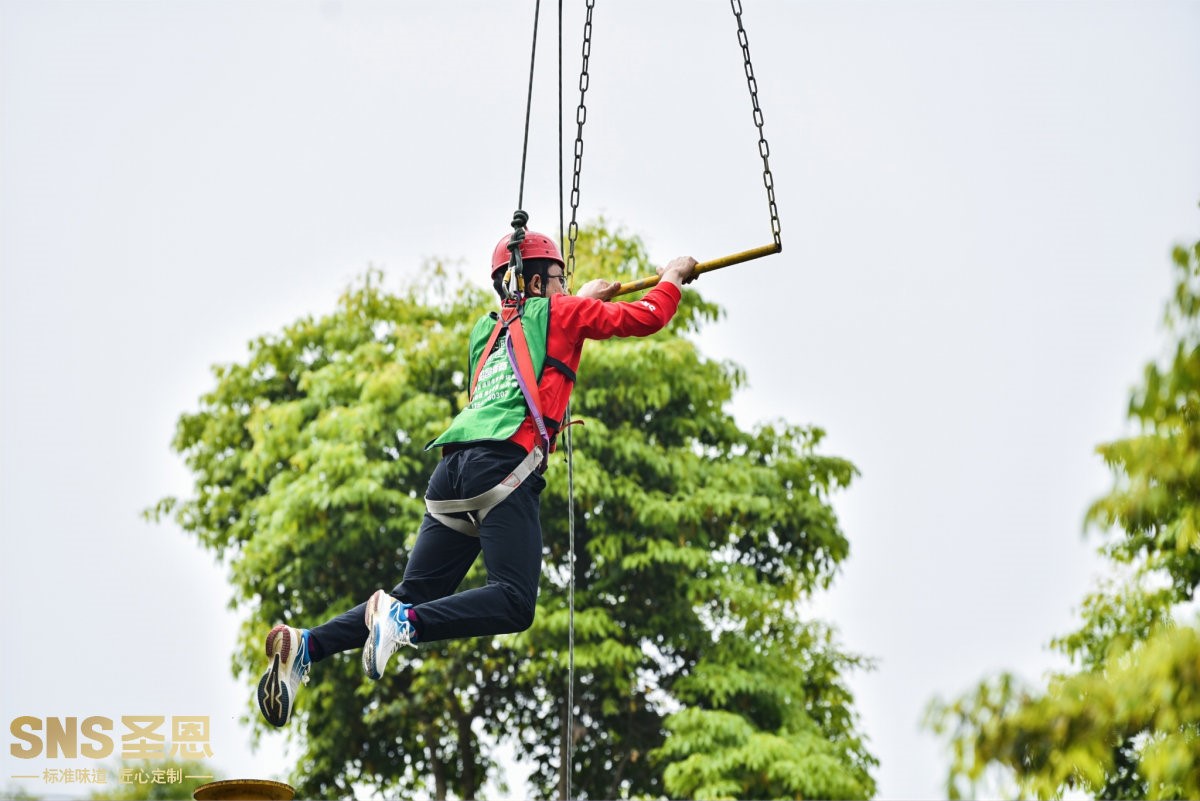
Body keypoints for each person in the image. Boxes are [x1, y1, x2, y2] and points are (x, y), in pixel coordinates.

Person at [256, 228, 698, 727]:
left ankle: (308, 643)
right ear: (535, 282)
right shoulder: (562, 311)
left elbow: (536, 344)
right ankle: (403, 624)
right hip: (503, 466)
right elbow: (645, 317)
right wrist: (672, 279)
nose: (564, 286)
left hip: (452, 474)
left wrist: (574, 299)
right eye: (559, 278)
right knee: (512, 602)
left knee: (412, 590)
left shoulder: (484, 333)